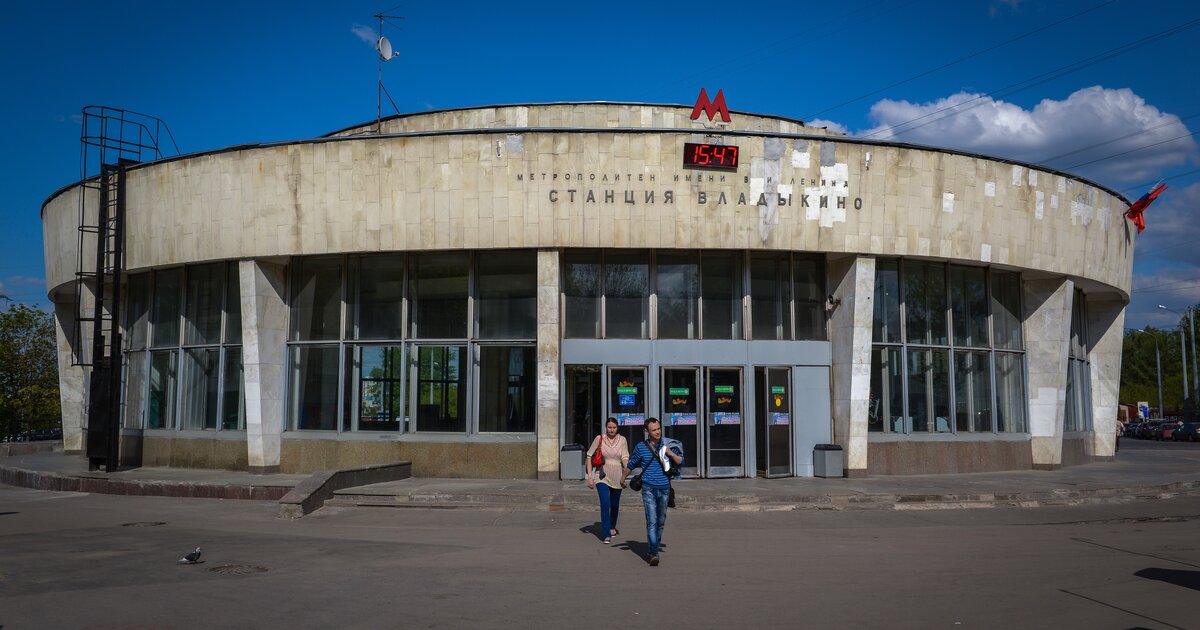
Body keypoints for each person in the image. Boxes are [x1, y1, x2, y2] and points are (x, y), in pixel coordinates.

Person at [625, 417, 683, 566]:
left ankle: (654, 546)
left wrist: (670, 453)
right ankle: (653, 552)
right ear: (647, 431)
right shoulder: (641, 447)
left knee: (661, 522)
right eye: (654, 430)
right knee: (652, 522)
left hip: (664, 488)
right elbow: (632, 463)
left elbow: (680, 460)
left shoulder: (668, 443)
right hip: (648, 488)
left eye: (658, 429)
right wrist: (622, 478)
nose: (657, 432)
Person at [585, 417, 629, 544]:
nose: (612, 430)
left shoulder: (622, 440)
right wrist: (590, 478)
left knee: (614, 505)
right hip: (602, 476)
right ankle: (606, 534)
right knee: (605, 504)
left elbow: (625, 457)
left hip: (618, 477)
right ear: (606, 427)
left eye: (614, 427)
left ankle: (611, 526)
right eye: (609, 427)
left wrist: (626, 472)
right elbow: (589, 456)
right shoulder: (600, 439)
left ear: (617, 428)